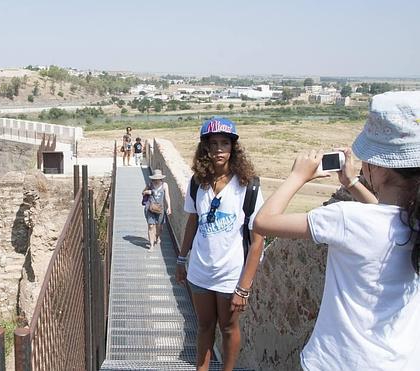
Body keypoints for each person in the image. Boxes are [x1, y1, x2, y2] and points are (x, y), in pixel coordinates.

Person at [253, 91, 420, 371]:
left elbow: (264, 221)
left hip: (338, 361)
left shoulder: (347, 219)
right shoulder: (413, 220)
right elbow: (385, 215)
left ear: (379, 167)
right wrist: (353, 182)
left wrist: (298, 176)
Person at [175, 117, 265, 371]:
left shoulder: (248, 187)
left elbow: (257, 241)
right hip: (200, 271)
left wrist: (243, 288)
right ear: (205, 148)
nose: (218, 150)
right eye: (212, 144)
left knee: (228, 327)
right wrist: (182, 259)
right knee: (203, 327)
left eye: (224, 143)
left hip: (230, 275)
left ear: (233, 148)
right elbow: (193, 222)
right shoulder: (198, 183)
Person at [142, 169, 172, 249]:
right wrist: (148, 192)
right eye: (155, 178)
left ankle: (157, 236)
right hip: (150, 207)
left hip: (160, 209)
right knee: (151, 226)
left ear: (161, 178)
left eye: (157, 178)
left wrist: (169, 207)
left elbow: (167, 196)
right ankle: (151, 245)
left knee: (159, 227)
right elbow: (143, 192)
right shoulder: (150, 184)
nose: (156, 180)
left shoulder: (165, 185)